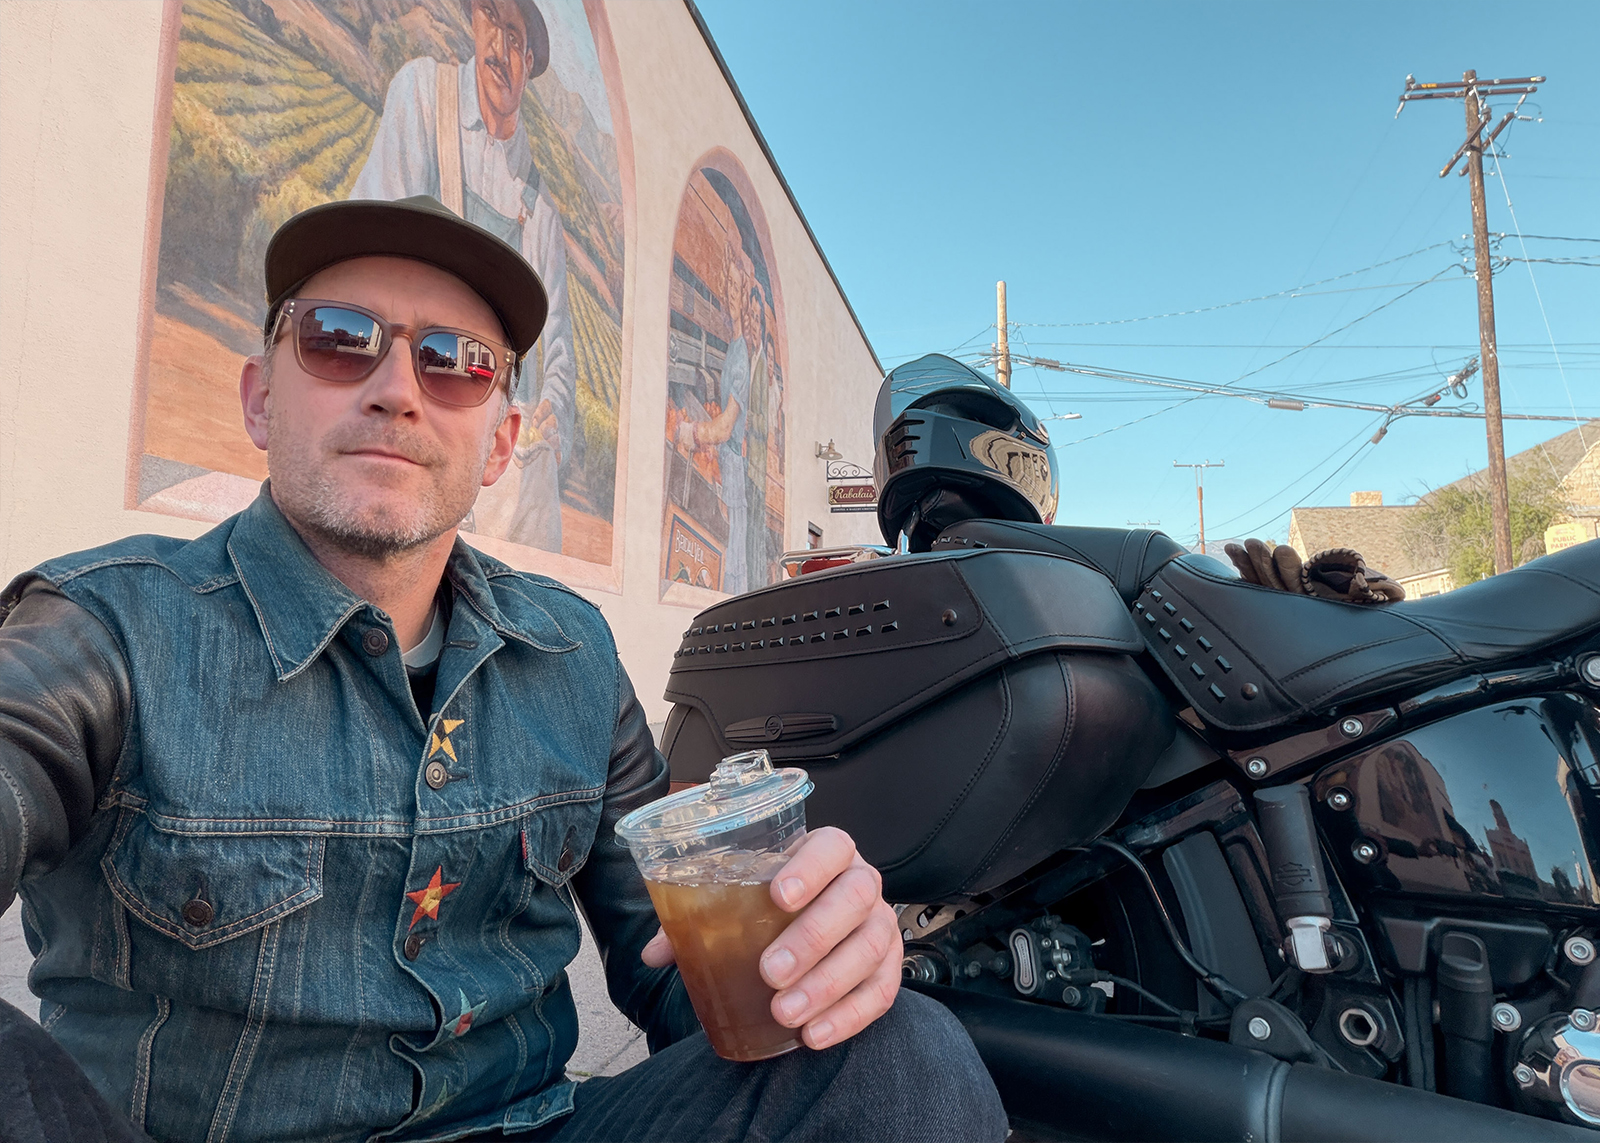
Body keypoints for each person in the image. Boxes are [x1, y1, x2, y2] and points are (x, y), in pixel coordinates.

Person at [0, 196, 1006, 1143]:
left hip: (529, 1126)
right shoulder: (104, 631)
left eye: (456, 362)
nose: (396, 390)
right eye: (341, 339)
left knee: (901, 1052)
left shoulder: (570, 656)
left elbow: (667, 976)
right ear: (262, 398)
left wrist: (801, 964)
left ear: (501, 443)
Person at [352, 0, 575, 554]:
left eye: (517, 38)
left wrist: (552, 413)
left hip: (490, 454)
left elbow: (561, 359)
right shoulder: (424, 97)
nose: (500, 49)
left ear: (529, 61)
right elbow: (367, 266)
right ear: (473, 22)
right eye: (491, 21)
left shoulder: (541, 213)